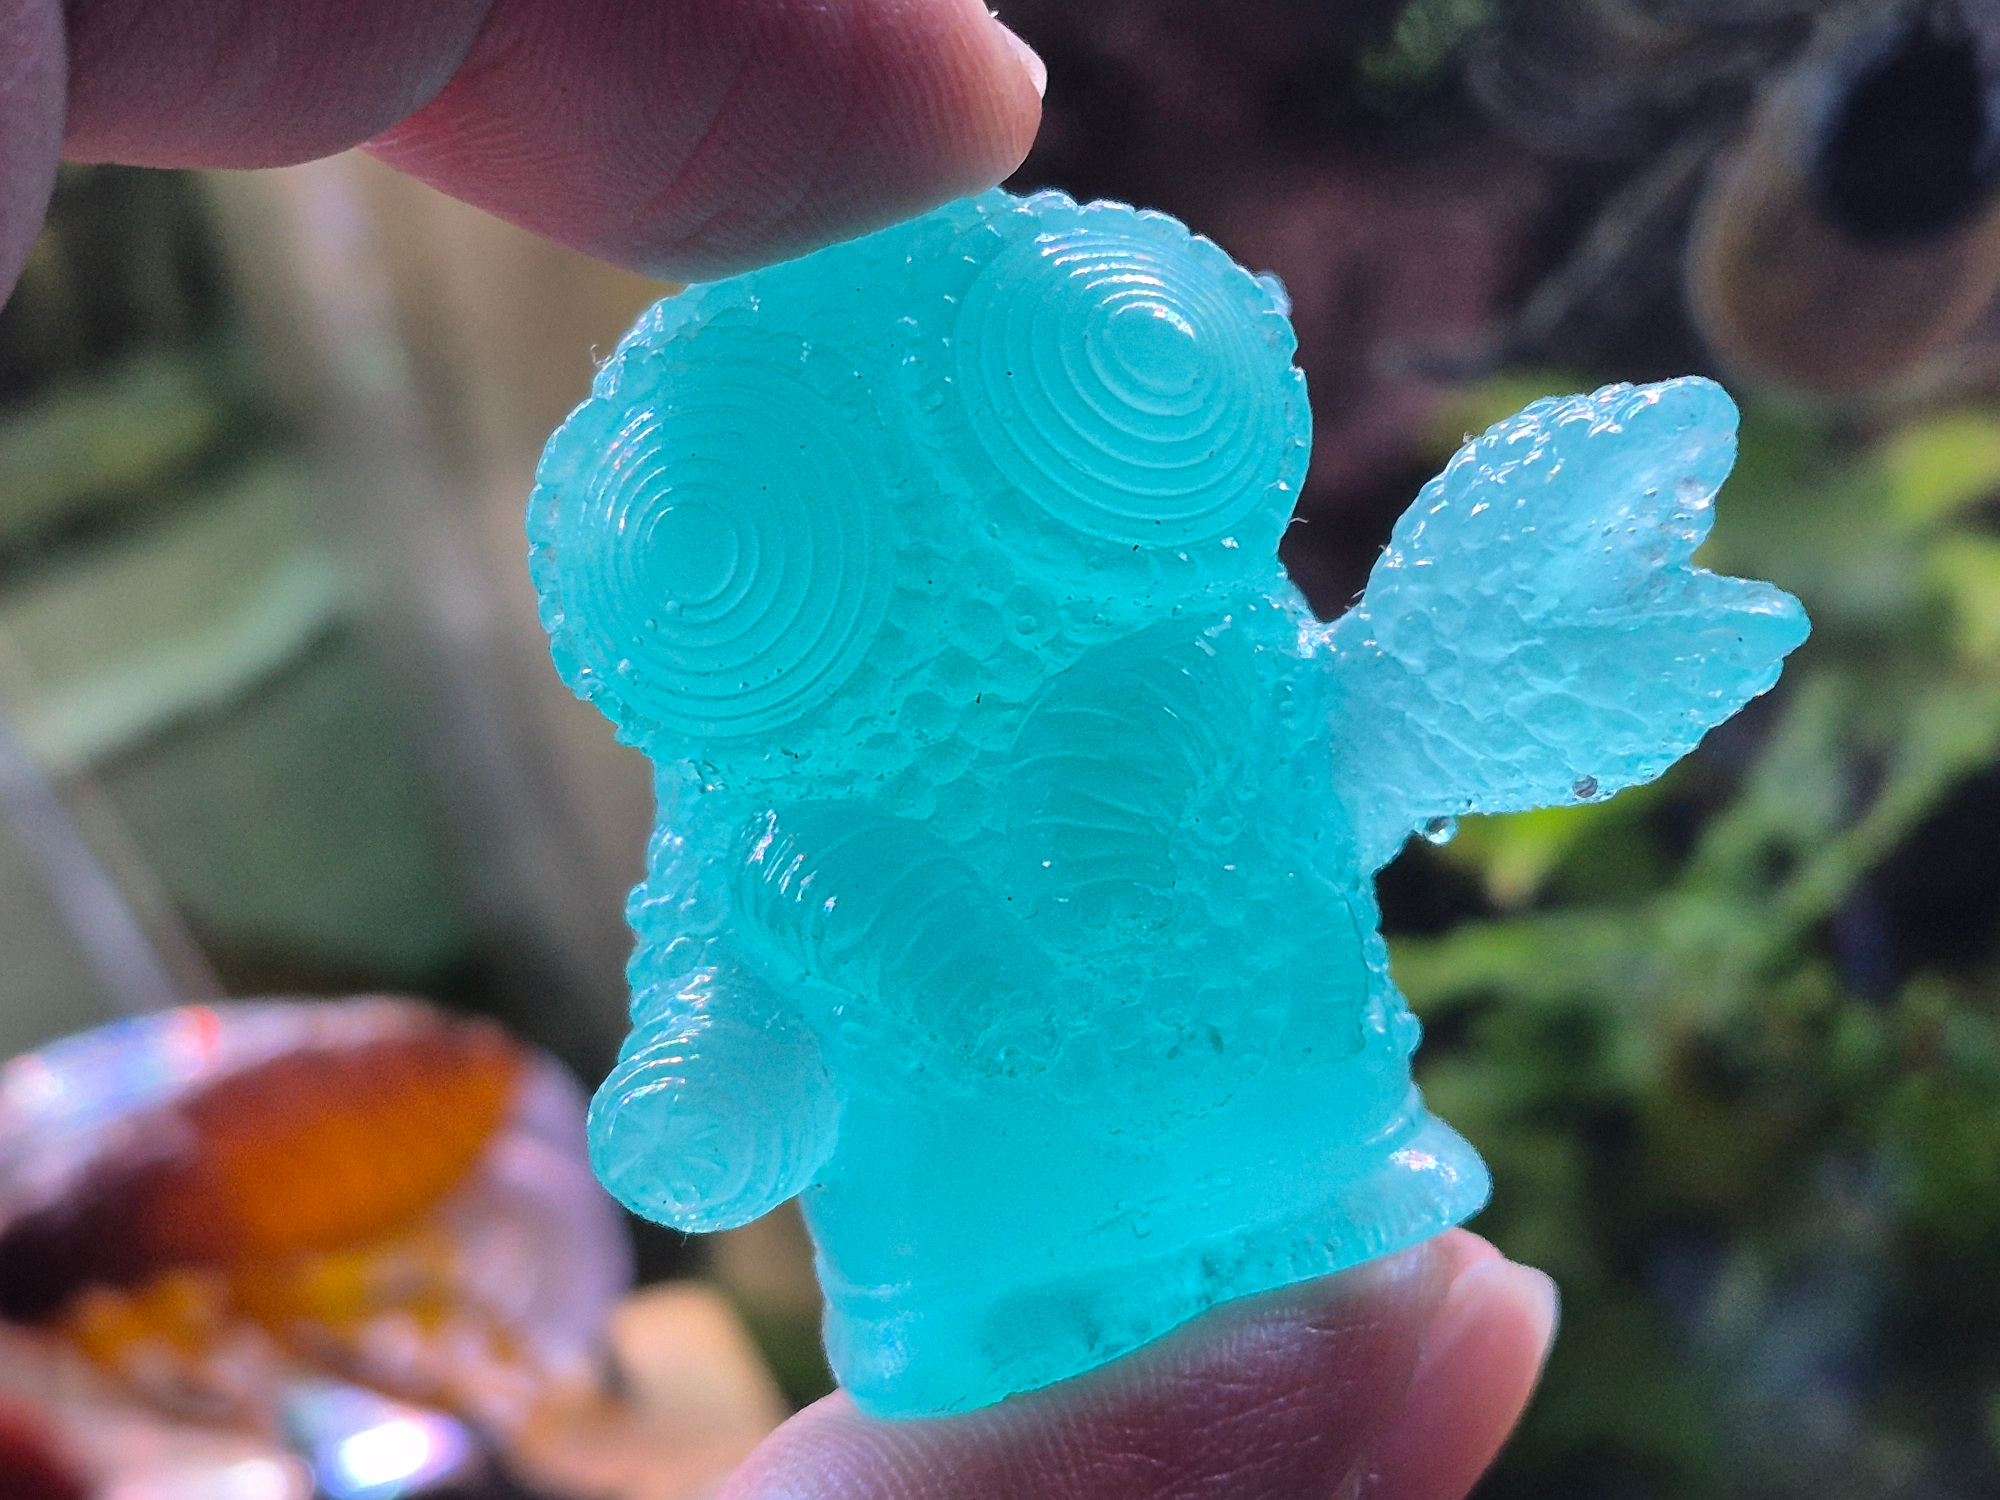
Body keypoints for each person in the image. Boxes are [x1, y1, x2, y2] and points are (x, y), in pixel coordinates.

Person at [0, 4, 1558, 1495]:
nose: (941, 550)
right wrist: (713, 1090)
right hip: (987, 1268)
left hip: (1298, 1157)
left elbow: (1368, 734)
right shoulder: (760, 804)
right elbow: (729, 978)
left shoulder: (1197, 640)